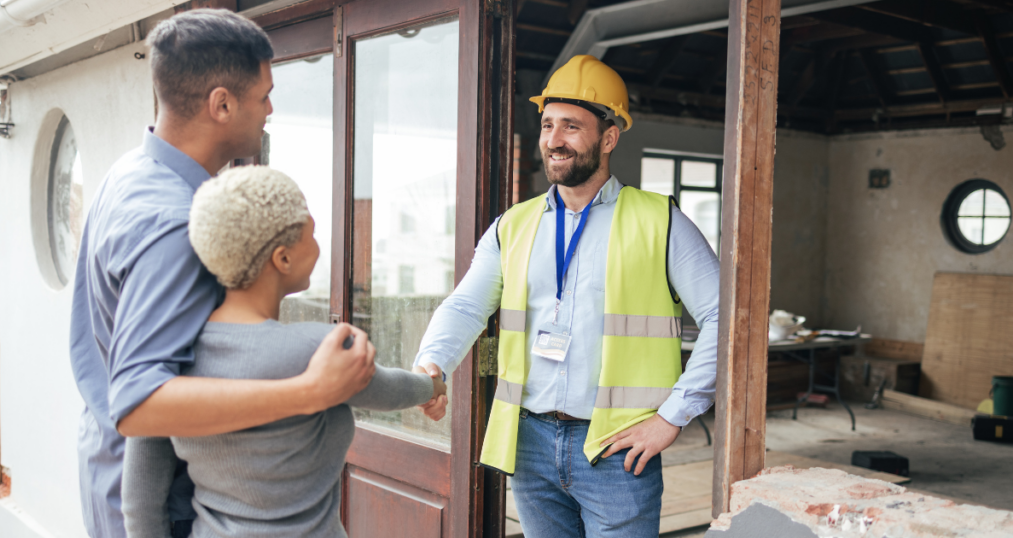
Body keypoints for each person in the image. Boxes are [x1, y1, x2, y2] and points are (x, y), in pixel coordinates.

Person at [69, 10, 381, 538]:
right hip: (159, 511)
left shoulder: (128, 175)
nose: (270, 110)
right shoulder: (174, 224)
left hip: (111, 478)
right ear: (222, 103)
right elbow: (140, 404)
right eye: (264, 95)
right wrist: (309, 391)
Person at [412, 55, 721, 537]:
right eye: (548, 124)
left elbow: (727, 319)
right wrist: (432, 363)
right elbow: (467, 305)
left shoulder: (661, 222)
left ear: (609, 137)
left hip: (618, 448)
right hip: (531, 440)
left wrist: (673, 416)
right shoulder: (513, 225)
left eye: (572, 126)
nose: (554, 140)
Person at [121, 166, 447, 537]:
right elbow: (390, 390)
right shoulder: (319, 350)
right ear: (283, 258)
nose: (320, 247)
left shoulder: (172, 361)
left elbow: (140, 497)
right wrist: (431, 386)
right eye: (311, 234)